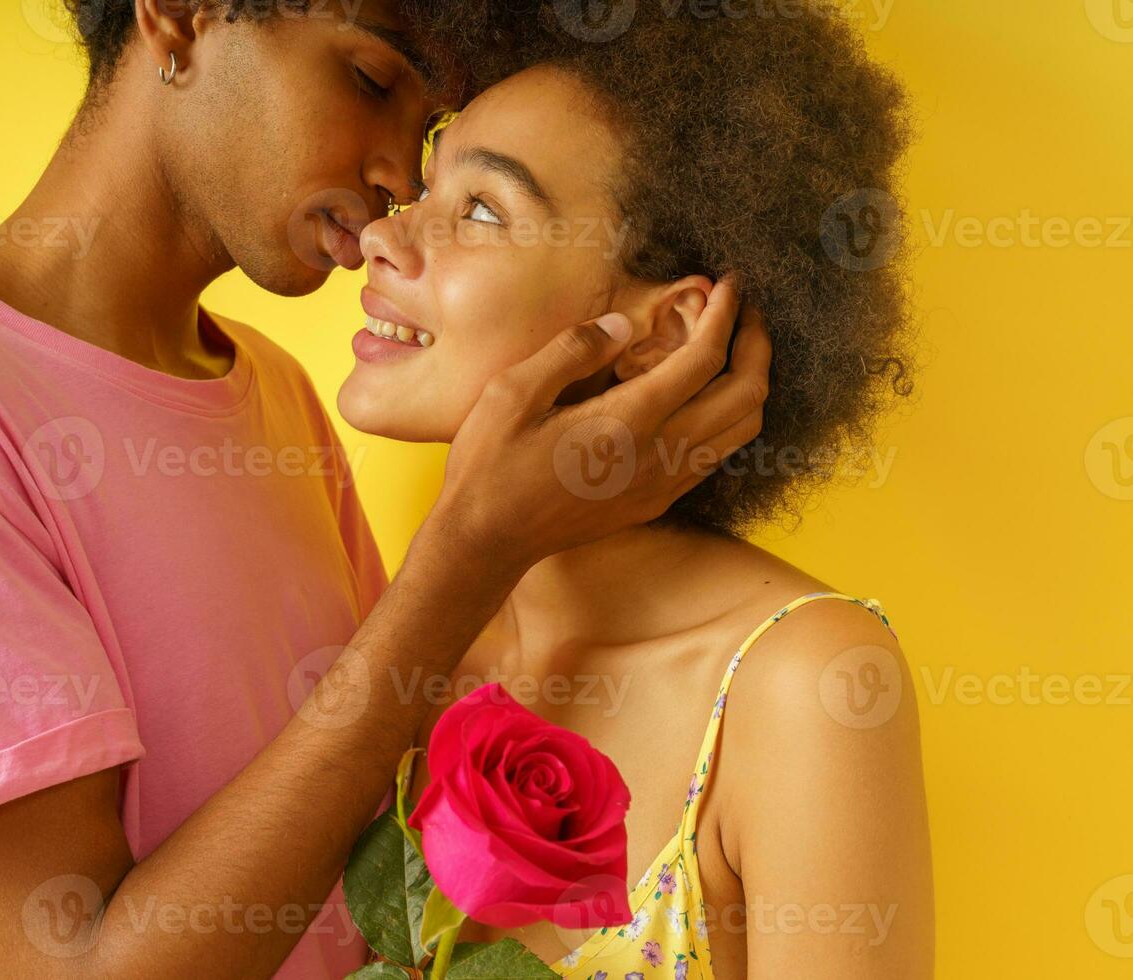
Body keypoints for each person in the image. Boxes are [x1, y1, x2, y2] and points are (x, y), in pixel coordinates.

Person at [0, 0, 769, 977]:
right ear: (181, 15)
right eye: (370, 78)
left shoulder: (268, 392)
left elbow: (365, 826)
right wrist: (468, 553)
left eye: (429, 130)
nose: (394, 179)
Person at [342, 6, 932, 978]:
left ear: (666, 329)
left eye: (482, 209)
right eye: (427, 181)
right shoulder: (412, 618)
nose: (382, 236)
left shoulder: (802, 686)